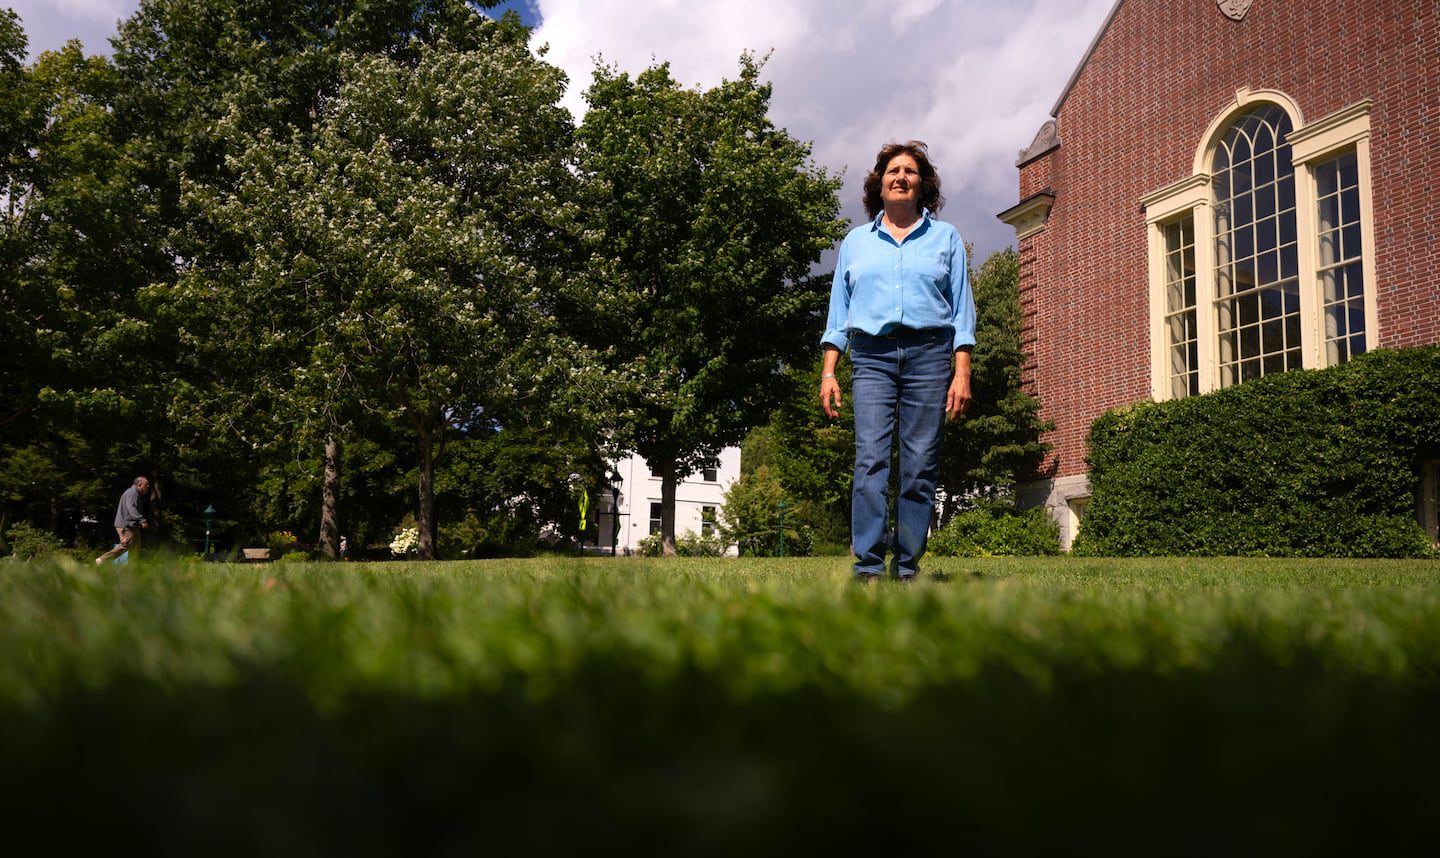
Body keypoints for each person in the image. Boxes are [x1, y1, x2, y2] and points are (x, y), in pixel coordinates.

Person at [820, 140, 975, 582]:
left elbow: (962, 314)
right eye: (893, 170)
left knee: (920, 464)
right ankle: (867, 568)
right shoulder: (855, 243)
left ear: (922, 185)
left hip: (929, 357)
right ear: (879, 183)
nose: (901, 176)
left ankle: (907, 567)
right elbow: (838, 316)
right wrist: (829, 372)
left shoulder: (945, 238)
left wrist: (960, 372)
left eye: (910, 171)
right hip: (871, 357)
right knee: (870, 459)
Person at [95, 476, 152, 565]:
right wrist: (142, 520)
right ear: (140, 484)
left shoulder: (135, 493)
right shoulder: (132, 493)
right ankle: (102, 560)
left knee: (135, 549)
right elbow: (131, 508)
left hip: (132, 526)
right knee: (125, 546)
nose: (148, 487)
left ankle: (133, 570)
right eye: (146, 485)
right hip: (126, 526)